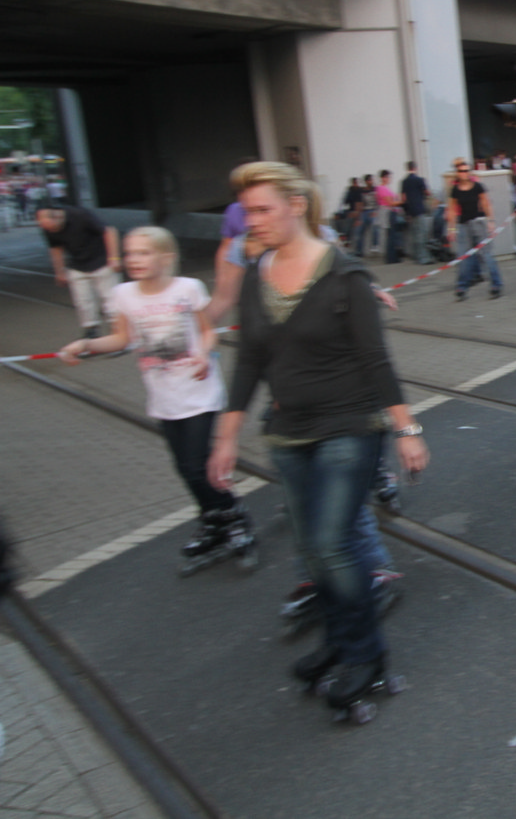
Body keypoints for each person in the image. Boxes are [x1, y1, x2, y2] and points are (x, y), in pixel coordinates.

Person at [208, 161, 428, 712]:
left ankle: (367, 656)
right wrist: (227, 436)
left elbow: (376, 361)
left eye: (263, 210)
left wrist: (407, 430)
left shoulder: (344, 274)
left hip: (349, 426)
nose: (252, 221)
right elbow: (249, 360)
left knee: (333, 542)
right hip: (289, 433)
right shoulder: (256, 273)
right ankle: (337, 641)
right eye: (247, 212)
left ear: (296, 206)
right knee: (312, 549)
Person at [58, 226, 256, 572]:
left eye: (143, 253)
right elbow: (121, 339)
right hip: (163, 398)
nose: (134, 260)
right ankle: (213, 521)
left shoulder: (188, 288)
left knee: (197, 466)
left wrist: (203, 354)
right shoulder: (123, 294)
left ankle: (234, 516)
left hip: (199, 393)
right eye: (130, 253)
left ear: (166, 258)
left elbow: (207, 331)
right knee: (184, 468)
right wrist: (86, 344)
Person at [37, 204, 120, 337]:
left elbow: (109, 231)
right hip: (77, 265)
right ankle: (91, 329)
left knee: (110, 298)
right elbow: (55, 248)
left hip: (101, 261)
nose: (50, 231)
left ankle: (118, 329)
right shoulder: (47, 228)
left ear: (56, 216)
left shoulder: (80, 215)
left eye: (52, 227)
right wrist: (60, 271)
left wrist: (114, 258)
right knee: (82, 300)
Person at [447, 158, 503, 300]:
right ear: (457, 173)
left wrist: (490, 221)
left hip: (478, 223)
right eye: (461, 171)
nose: (464, 173)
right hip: (463, 225)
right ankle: (461, 287)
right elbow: (452, 209)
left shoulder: (477, 186)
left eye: (466, 171)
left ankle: (496, 284)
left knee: (486, 255)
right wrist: (451, 229)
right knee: (463, 256)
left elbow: (486, 203)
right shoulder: (455, 189)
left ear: (470, 172)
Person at [400, 161, 432, 264]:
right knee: (422, 233)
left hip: (410, 210)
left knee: (414, 234)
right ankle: (423, 257)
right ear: (415, 168)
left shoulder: (404, 181)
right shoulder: (419, 180)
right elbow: (427, 192)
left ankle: (416, 256)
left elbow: (403, 198)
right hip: (419, 209)